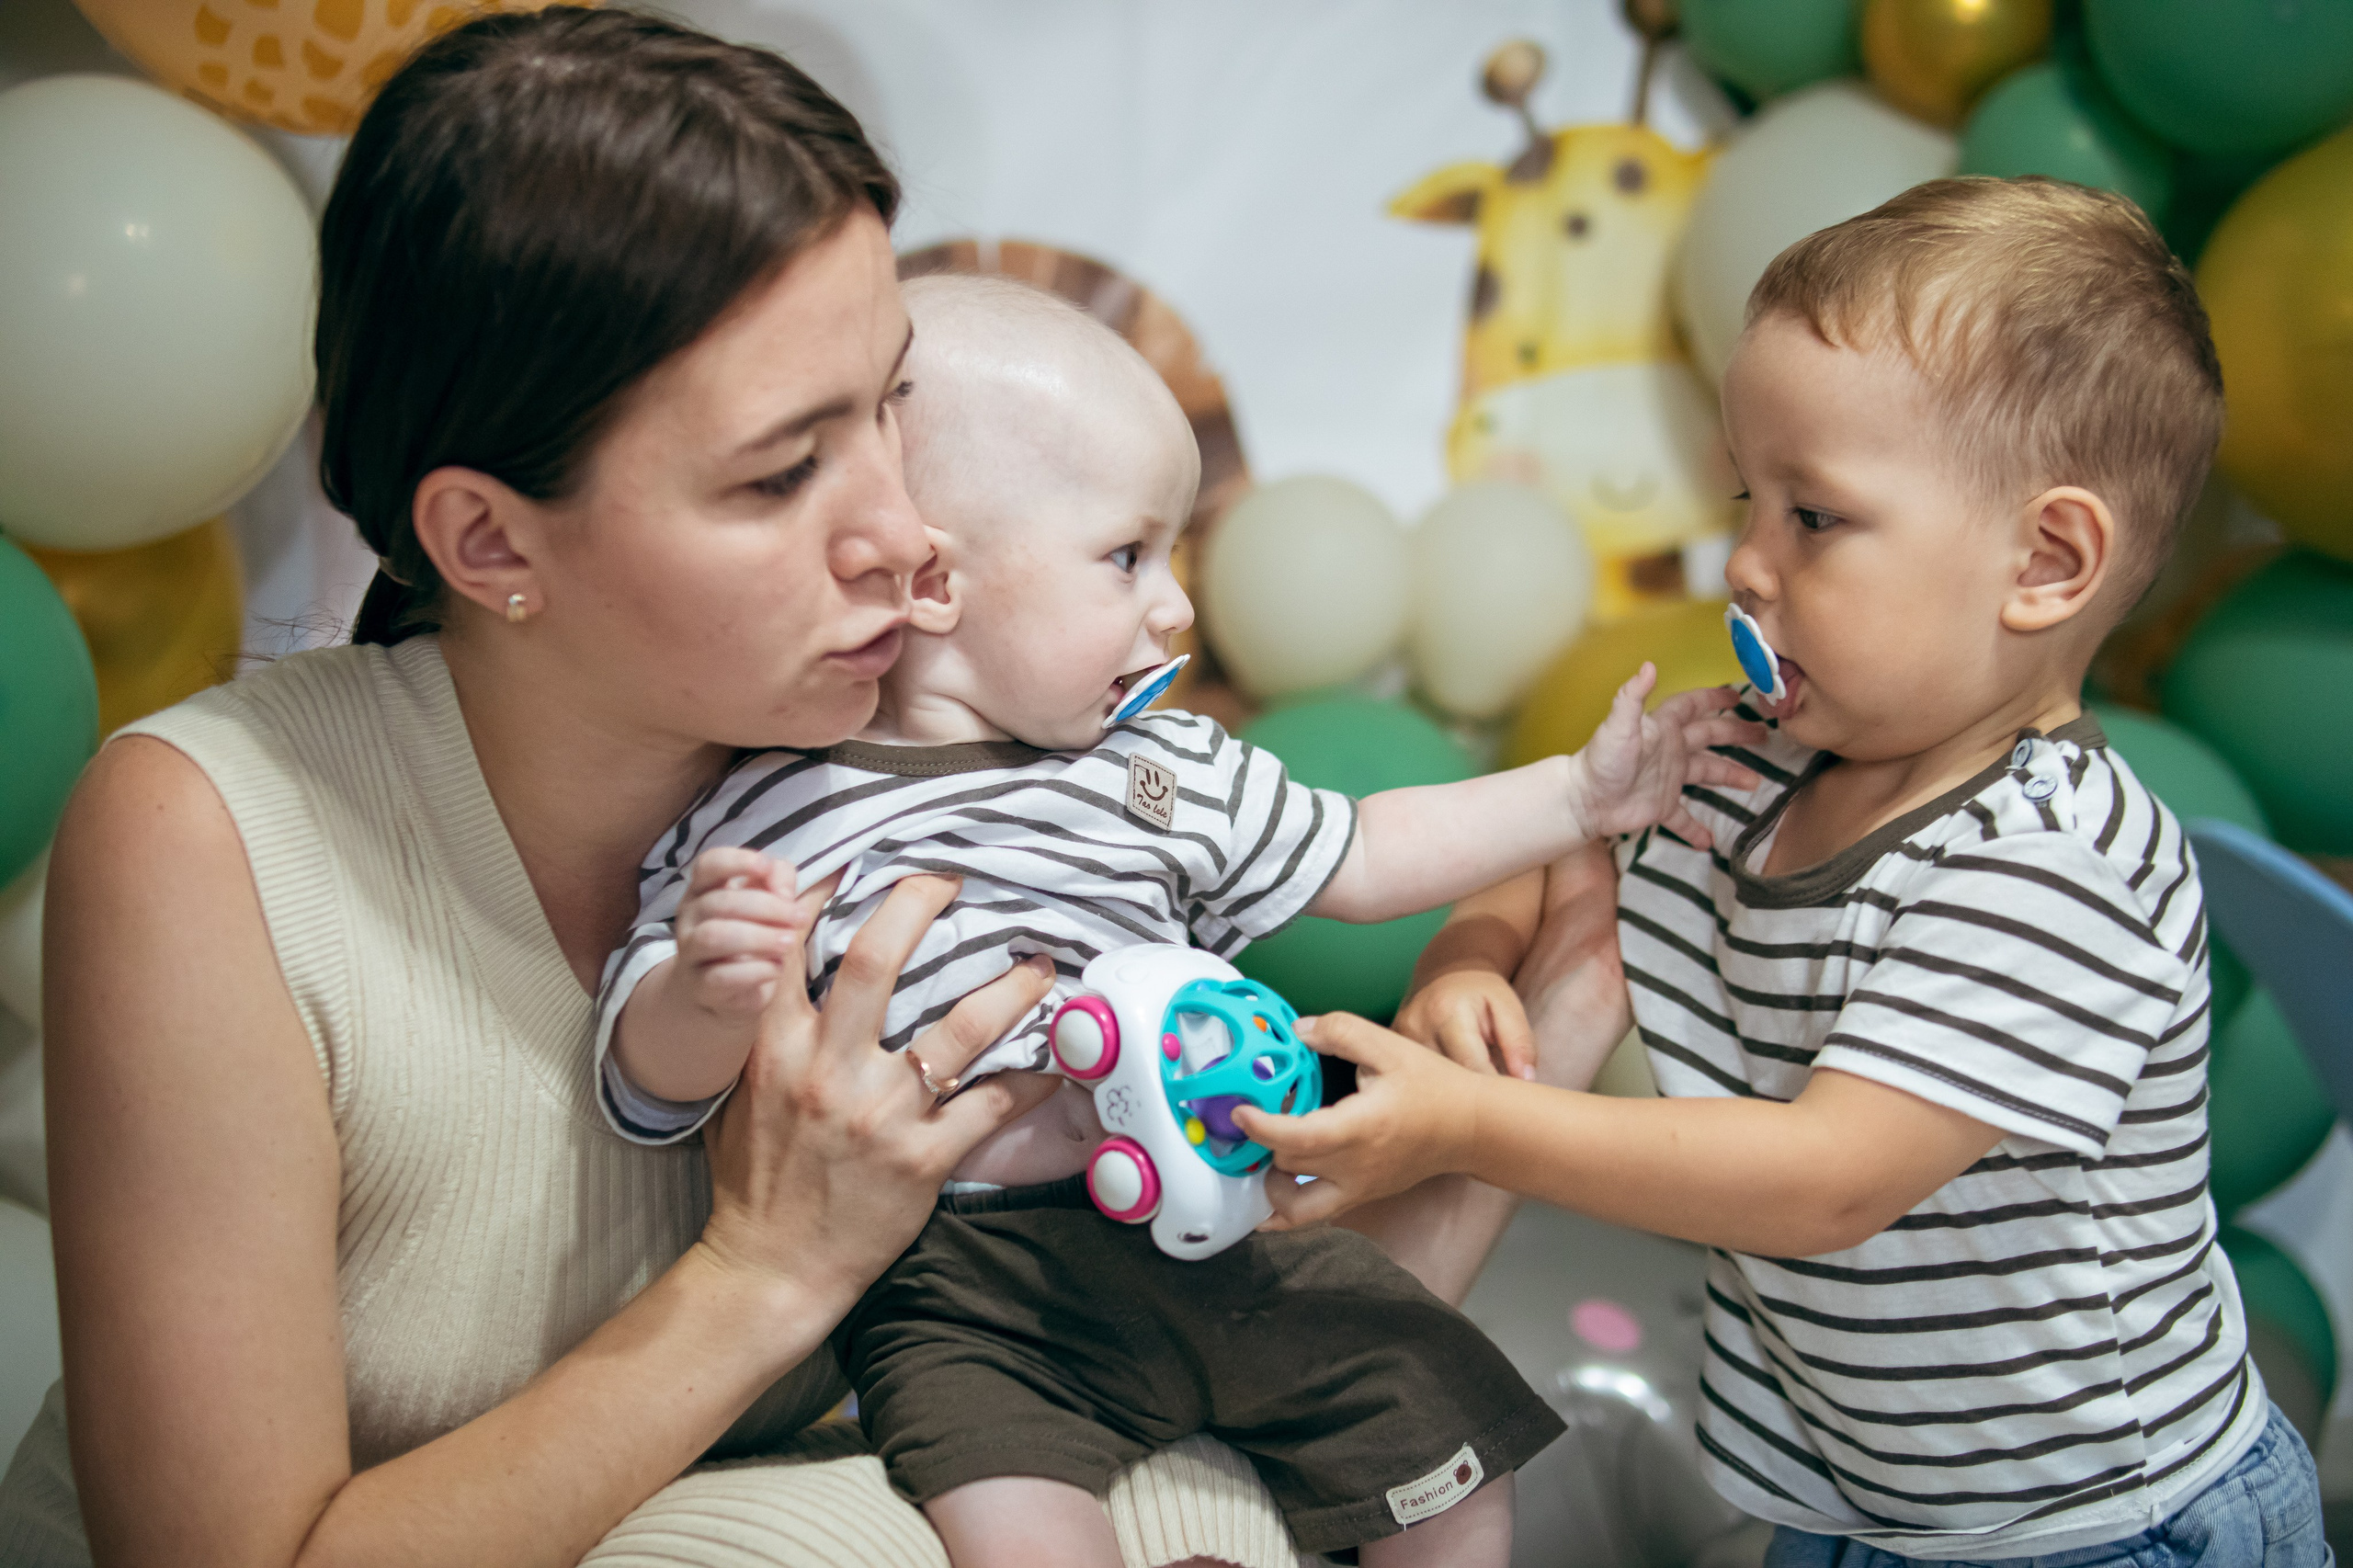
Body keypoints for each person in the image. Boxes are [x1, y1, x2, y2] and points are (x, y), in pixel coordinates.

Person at [0, 12, 1608, 1566]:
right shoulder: (212, 834)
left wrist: (1518, 1076)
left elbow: (1180, 1369)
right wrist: (770, 1267)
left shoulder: (995, 771)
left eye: (891, 409)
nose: (904, 538)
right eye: (783, 472)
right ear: (489, 542)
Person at [1237, 177, 2335, 1567]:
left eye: (1814, 517)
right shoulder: (1751, 758)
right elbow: (1564, 848)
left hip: (2099, 1525)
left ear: (2045, 562)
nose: (1746, 565)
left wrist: (1470, 1124)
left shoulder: (2054, 865)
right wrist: (1471, 956)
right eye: (1749, 499)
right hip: (1846, 1494)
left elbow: (1826, 1178)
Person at [593, 272, 1767, 1567]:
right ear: (933, 578)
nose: (1175, 608)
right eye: (1127, 557)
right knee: (1022, 1530)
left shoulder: (1164, 766)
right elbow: (646, 1083)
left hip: (1225, 1239)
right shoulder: (778, 798)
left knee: (1456, 1458)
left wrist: (1578, 793)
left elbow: (1367, 850)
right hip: (970, 1292)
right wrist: (702, 993)